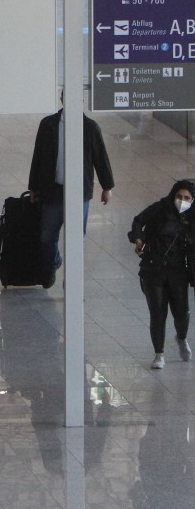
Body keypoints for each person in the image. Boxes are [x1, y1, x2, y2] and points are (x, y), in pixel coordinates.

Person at [28, 106, 114, 282]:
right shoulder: (48, 125)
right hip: (53, 191)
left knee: (75, 240)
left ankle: (73, 283)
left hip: (79, 193)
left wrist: (107, 187)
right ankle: (53, 263)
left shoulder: (90, 127)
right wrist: (34, 187)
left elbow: (100, 157)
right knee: (47, 237)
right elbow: (38, 156)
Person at [129, 181, 195, 369]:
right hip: (154, 268)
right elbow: (138, 220)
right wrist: (138, 238)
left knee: (182, 312)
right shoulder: (160, 209)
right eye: (179, 197)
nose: (182, 201)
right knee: (157, 312)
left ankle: (181, 337)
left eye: (187, 198)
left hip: (179, 271)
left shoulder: (191, 218)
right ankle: (159, 354)